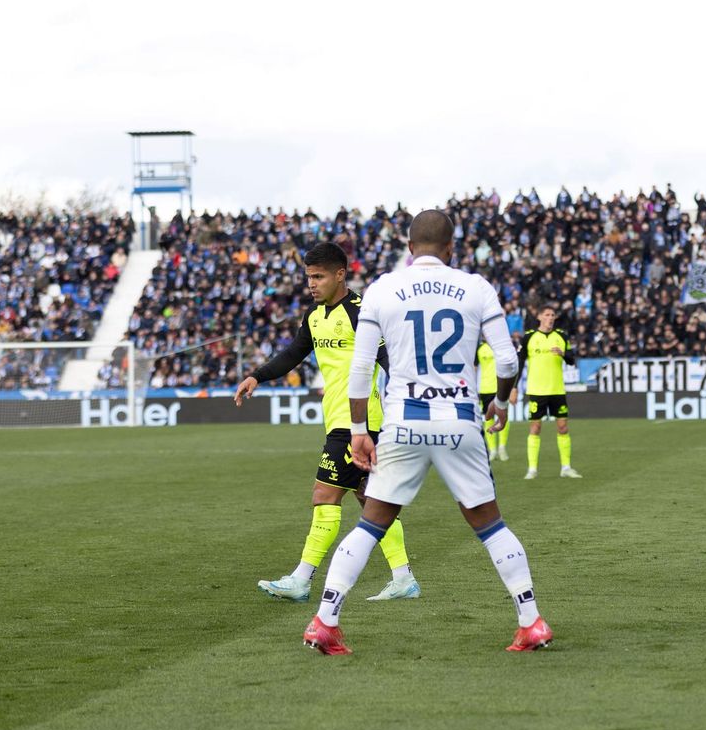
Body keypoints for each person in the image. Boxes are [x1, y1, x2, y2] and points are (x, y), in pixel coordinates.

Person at [303, 208, 551, 655]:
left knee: (371, 522)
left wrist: (359, 428)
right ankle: (530, 620)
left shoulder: (382, 289)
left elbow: (361, 369)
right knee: (491, 525)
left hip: (403, 421)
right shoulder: (475, 287)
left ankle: (326, 619)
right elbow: (509, 362)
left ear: (410, 248)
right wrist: (499, 402)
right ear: (452, 249)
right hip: (459, 418)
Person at [233, 242, 420, 604]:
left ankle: (301, 579)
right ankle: (403, 578)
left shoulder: (362, 312)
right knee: (370, 500)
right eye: (309, 277)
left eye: (319, 277)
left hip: (359, 422)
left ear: (340, 274)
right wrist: (258, 375)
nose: (312, 284)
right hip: (340, 418)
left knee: (324, 495)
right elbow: (293, 353)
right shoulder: (315, 316)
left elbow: (390, 360)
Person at [520, 305, 581, 479]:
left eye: (553, 315)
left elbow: (571, 360)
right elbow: (520, 361)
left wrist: (563, 353)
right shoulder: (529, 337)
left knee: (562, 427)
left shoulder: (561, 336)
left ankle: (566, 467)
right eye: (547, 315)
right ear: (539, 317)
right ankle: (532, 469)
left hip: (557, 390)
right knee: (535, 427)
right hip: (537, 390)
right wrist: (515, 387)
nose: (550, 318)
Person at [477, 339, 511, 461]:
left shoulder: (502, 346)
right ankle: (492, 450)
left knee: (503, 417)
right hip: (485, 388)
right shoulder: (479, 348)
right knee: (488, 418)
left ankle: (502, 447)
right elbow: (473, 368)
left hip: (501, 387)